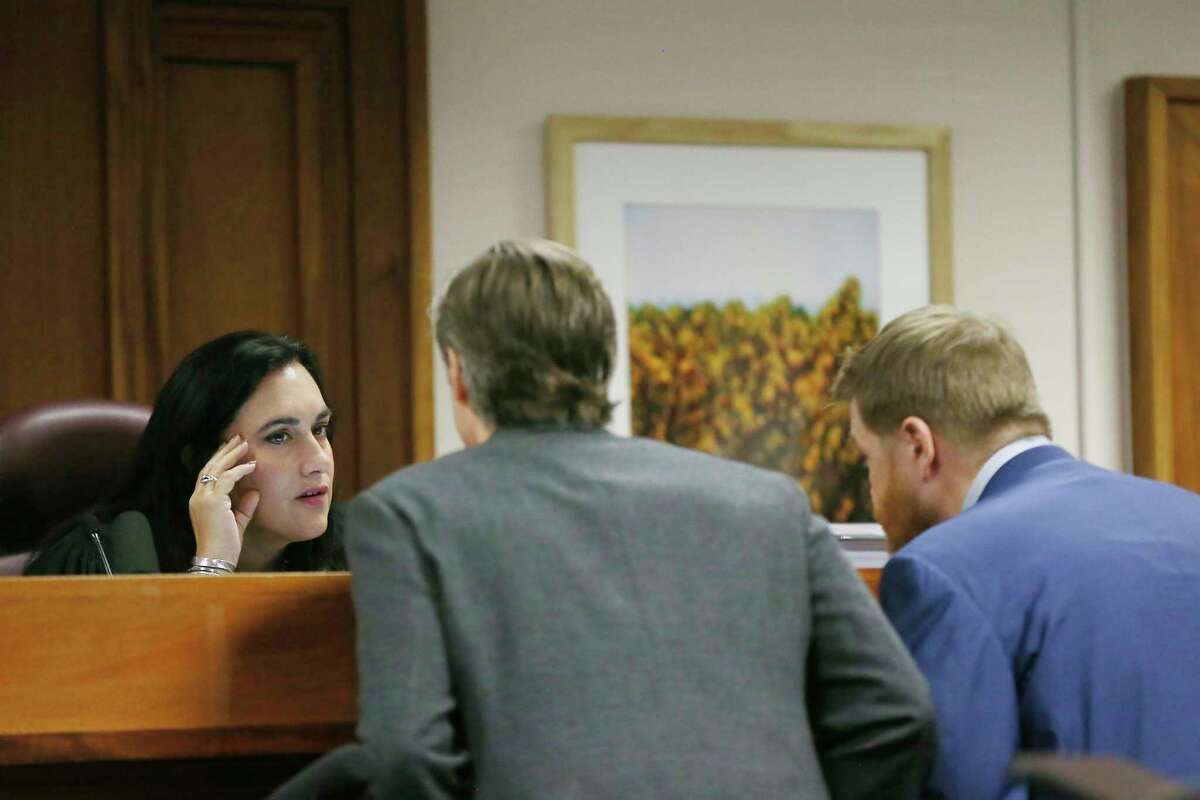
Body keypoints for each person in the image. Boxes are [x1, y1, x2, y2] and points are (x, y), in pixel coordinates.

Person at [270, 238, 934, 799]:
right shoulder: (768, 504)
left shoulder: (409, 515)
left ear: (459, 373)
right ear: (604, 363)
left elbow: (404, 756)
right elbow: (898, 713)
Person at [832, 305, 1200, 799]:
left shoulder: (941, 572)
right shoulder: (1188, 515)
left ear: (918, 445)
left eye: (868, 460)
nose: (872, 491)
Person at [25, 330, 344, 575]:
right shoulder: (102, 560)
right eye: (279, 437)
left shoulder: (362, 545)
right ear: (202, 460)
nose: (318, 460)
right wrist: (213, 563)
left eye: (319, 429)